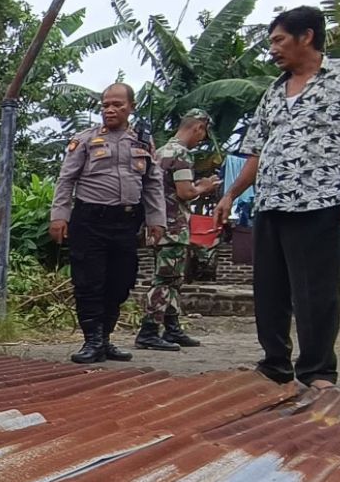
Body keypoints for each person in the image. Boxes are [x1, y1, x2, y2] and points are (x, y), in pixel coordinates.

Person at [215, 6, 340, 391]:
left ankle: (318, 371)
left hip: (320, 201)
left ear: (306, 36)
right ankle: (275, 364)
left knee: (315, 291)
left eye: (278, 40)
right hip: (271, 203)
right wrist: (231, 194)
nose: (272, 50)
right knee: (270, 291)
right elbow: (257, 151)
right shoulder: (273, 92)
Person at [50, 83, 165, 364]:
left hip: (126, 221)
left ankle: (106, 338)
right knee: (89, 282)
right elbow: (66, 180)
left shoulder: (141, 142)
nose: (110, 110)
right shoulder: (86, 140)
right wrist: (59, 216)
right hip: (89, 220)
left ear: (131, 107)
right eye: (105, 105)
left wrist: (156, 219)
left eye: (117, 105)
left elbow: (153, 182)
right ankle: (92, 341)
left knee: (121, 281)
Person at [135, 109, 221, 351]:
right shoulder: (181, 154)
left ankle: (172, 328)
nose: (201, 140)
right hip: (173, 227)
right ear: (198, 128)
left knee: (173, 279)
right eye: (202, 135)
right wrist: (204, 187)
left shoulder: (161, 152)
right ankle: (149, 330)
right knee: (165, 279)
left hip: (158, 225)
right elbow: (185, 192)